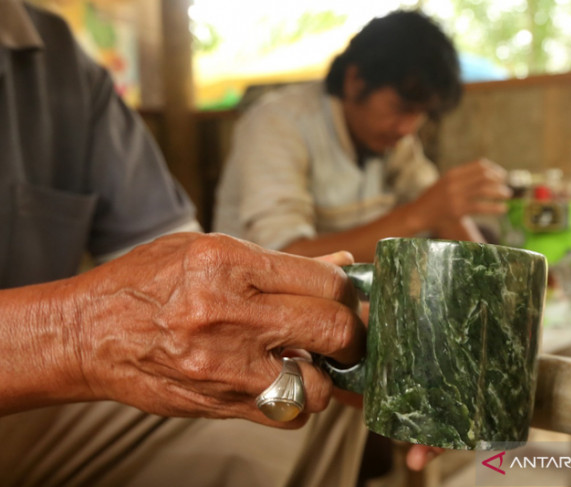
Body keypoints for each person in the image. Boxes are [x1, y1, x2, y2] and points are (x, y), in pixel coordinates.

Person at [0, 2, 366, 485]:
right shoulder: (283, 121)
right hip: (31, 379)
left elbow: (173, 264)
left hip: (33, 409)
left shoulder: (58, 58)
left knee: (306, 393)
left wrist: (295, 333)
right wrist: (81, 332)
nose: (406, 126)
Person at [213, 8, 512, 485]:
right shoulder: (278, 125)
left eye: (419, 115)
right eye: (401, 107)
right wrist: (422, 211)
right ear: (355, 81)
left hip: (340, 334)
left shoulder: (394, 144)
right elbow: (283, 258)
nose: (406, 127)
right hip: (256, 342)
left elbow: (444, 214)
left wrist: (496, 288)